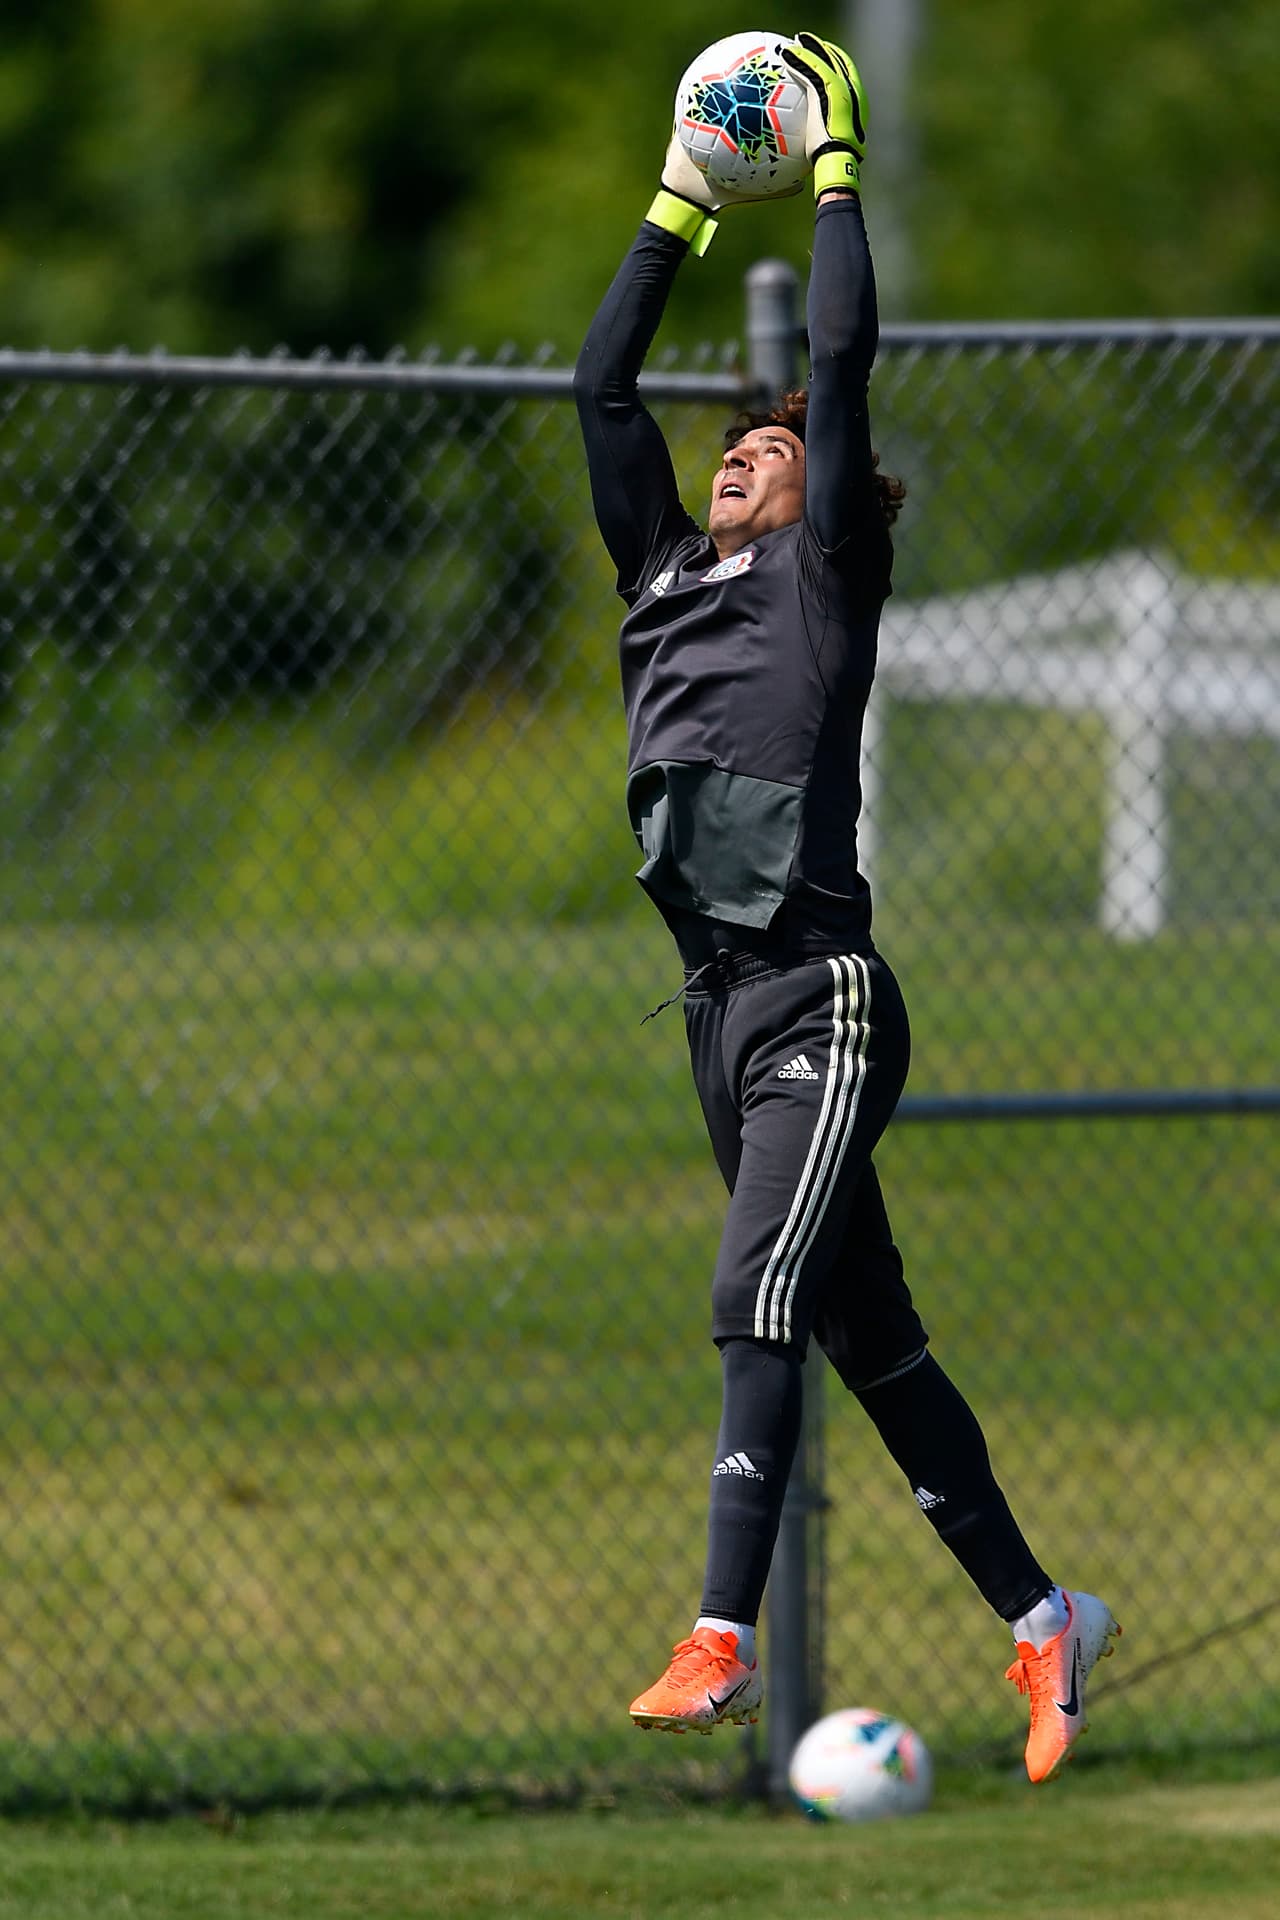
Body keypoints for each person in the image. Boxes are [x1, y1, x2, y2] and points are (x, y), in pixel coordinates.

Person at [573, 31, 1119, 1785]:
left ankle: (719, 1637)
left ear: (828, 498)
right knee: (873, 1342)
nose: (741, 454)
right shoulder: (665, 570)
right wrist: (679, 201)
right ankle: (1046, 1618)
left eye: (771, 448)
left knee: (754, 1288)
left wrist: (827, 174)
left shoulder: (825, 580)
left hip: (820, 994)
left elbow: (838, 356)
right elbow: (600, 391)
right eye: (732, 448)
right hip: (716, 1015)